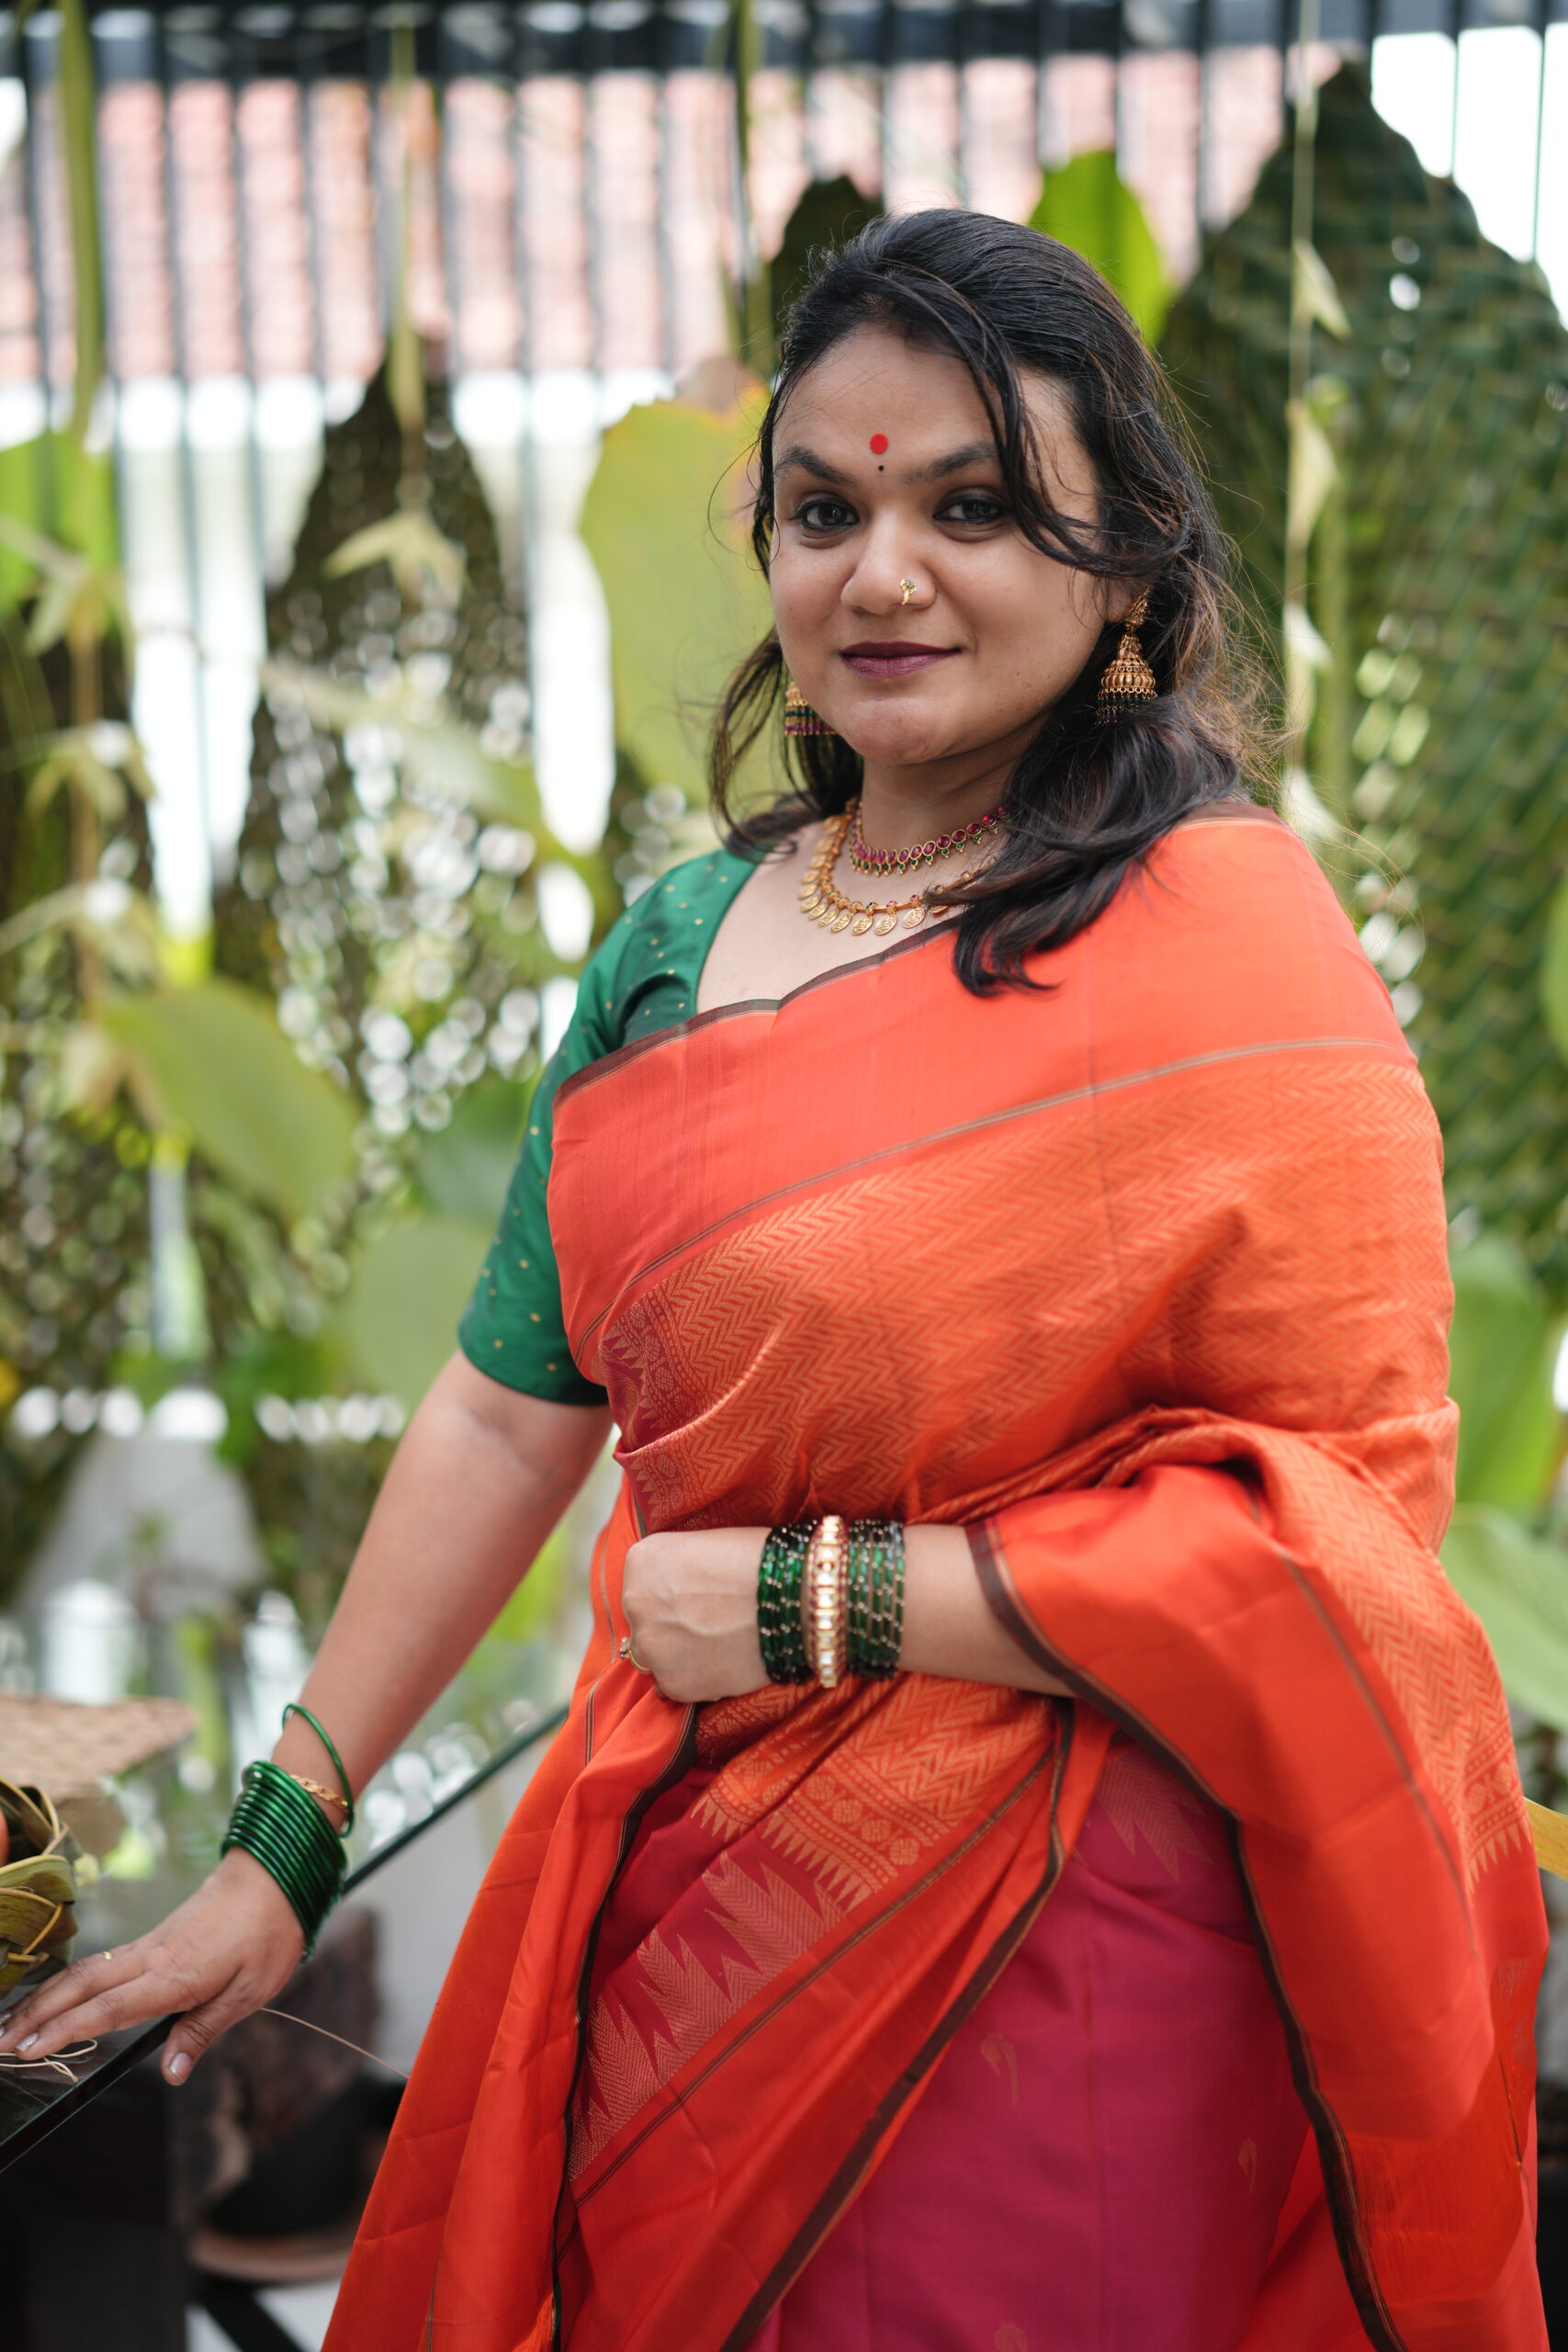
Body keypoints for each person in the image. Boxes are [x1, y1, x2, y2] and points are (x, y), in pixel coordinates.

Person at [0, 210, 1548, 2351]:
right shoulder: (671, 947)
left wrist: (829, 1599)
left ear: (1123, 565)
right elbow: (503, 1407)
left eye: (970, 508)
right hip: (696, 1923)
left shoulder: (1234, 957)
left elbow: (1336, 1538)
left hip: (1085, 1963)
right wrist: (282, 1838)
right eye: (823, 511)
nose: (879, 572)